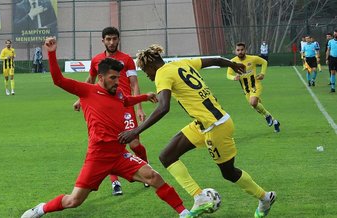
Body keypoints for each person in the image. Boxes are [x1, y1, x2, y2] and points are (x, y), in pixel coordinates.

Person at [21, 37, 193, 218]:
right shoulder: (86, 91)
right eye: (113, 78)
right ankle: (41, 209)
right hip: (98, 156)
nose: (117, 82)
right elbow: (58, 80)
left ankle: (184, 213)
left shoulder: (117, 92)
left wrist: (143, 97)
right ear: (101, 77)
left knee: (154, 177)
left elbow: (125, 100)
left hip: (119, 154)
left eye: (118, 77)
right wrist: (52, 52)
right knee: (74, 201)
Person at [118, 44, 276, 218]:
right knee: (167, 156)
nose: (147, 75)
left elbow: (163, 107)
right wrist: (231, 64)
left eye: (145, 71)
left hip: (216, 126)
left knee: (229, 172)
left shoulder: (162, 73)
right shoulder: (182, 63)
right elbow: (215, 60)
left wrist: (136, 131)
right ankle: (199, 197)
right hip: (203, 123)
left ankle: (265, 197)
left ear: (151, 65)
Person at [73, 26, 150, 195]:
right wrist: (81, 98)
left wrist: (139, 108)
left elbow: (134, 83)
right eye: (108, 39)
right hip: (106, 108)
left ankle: (146, 166)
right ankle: (115, 182)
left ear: (118, 40)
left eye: (114, 39)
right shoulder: (96, 60)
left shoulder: (126, 59)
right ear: (103, 41)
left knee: (134, 144)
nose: (112, 42)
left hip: (125, 107)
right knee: (111, 145)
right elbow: (90, 80)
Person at [227, 42, 280, 133]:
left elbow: (264, 62)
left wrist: (262, 74)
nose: (240, 52)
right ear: (235, 51)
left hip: (255, 84)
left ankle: (268, 117)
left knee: (253, 102)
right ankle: (274, 121)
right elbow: (228, 74)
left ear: (245, 50)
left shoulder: (252, 58)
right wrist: (233, 77)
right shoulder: (233, 62)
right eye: (238, 50)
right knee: (255, 106)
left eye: (242, 50)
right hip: (246, 89)